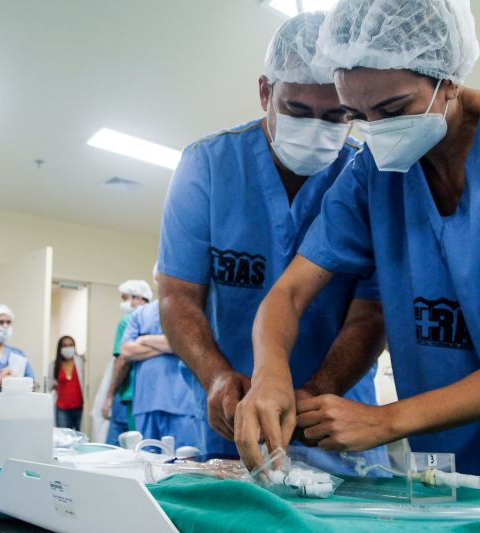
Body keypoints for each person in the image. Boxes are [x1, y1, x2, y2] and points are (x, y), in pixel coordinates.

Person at [235, 0, 480, 498]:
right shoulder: (374, 174)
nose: (377, 131)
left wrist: (389, 419)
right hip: (447, 467)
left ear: (449, 77)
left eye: (393, 110)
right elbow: (288, 294)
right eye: (359, 115)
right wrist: (269, 375)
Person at [158, 11, 386, 469]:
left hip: (333, 414)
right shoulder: (209, 166)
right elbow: (177, 296)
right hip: (232, 412)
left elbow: (371, 313)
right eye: (298, 111)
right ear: (266, 92)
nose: (317, 129)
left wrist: (317, 393)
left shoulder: (369, 178)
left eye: (337, 115)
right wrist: (218, 376)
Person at [120, 274, 198, 447]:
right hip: (147, 401)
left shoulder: (190, 311)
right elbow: (125, 350)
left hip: (181, 402)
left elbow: (188, 344)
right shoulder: (140, 314)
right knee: (146, 459)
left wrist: (145, 339)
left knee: (184, 460)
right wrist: (170, 344)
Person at [102, 280, 152, 444]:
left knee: (130, 447)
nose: (122, 303)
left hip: (131, 392)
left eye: (125, 298)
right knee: (151, 445)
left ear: (138, 298)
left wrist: (109, 396)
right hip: (154, 394)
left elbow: (123, 360)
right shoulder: (157, 319)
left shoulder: (128, 320)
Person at [50, 335, 85, 431]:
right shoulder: (54, 365)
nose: (68, 348)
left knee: (80, 439)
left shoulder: (81, 362)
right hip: (62, 409)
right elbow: (51, 385)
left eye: (70, 345)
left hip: (80, 408)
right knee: (63, 439)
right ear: (60, 349)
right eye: (65, 346)